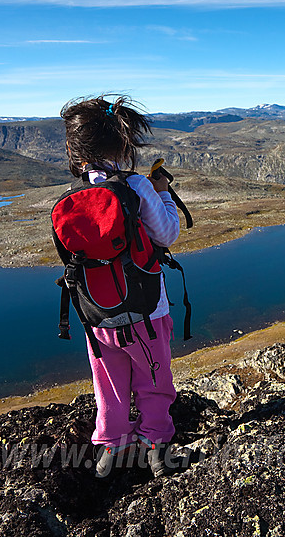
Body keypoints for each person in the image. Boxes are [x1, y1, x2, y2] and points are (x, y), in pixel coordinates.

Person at [61, 94, 180, 478]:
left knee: (108, 383)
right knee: (153, 377)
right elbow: (166, 236)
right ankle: (156, 444)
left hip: (97, 314)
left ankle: (111, 445)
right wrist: (161, 191)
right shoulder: (137, 186)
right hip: (146, 311)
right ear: (124, 143)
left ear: (78, 152)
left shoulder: (73, 199)